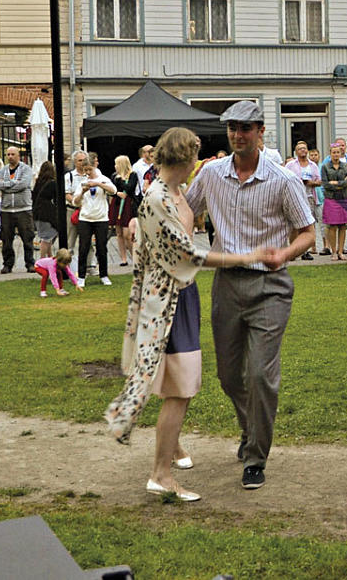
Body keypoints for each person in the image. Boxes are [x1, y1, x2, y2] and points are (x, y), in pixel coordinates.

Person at [106, 127, 270, 502]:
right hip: (166, 301)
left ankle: (172, 448)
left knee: (180, 384)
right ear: (185, 158)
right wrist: (245, 257)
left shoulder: (177, 191)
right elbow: (187, 253)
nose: (198, 162)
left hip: (182, 294)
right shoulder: (157, 198)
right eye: (195, 155)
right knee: (181, 389)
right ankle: (160, 474)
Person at [184, 101, 315, 489]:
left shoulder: (283, 180)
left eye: (245, 128)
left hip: (270, 287)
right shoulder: (211, 174)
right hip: (226, 284)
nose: (237, 135)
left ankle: (256, 456)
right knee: (228, 375)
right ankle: (249, 428)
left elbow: (308, 232)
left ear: (260, 132)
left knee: (260, 374)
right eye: (232, 128)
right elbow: (185, 211)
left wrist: (285, 254)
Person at [73, 155, 118, 286]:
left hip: (101, 218)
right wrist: (82, 192)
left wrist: (98, 184)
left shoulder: (103, 179)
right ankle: (81, 276)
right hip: (85, 218)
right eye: (85, 170)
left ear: (94, 166)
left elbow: (114, 191)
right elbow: (75, 202)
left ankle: (104, 275)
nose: (87, 172)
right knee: (83, 247)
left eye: (89, 169)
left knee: (101, 248)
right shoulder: (82, 182)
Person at [0, 146, 36, 273]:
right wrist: (13, 184)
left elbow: (24, 184)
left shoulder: (26, 169)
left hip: (23, 209)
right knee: (6, 239)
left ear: (18, 155)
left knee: (27, 237)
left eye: (13, 154)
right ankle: (8, 264)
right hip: (6, 210)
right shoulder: (2, 170)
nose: (10, 157)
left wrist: (6, 186)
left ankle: (30, 263)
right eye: (8, 154)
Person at [284, 143, 322, 261]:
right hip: (294, 197)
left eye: (304, 148)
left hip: (309, 197)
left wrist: (310, 183)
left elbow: (319, 181)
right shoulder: (290, 165)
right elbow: (283, 178)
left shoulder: (313, 165)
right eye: (300, 149)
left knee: (307, 225)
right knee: (294, 226)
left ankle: (305, 251)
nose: (303, 150)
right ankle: (292, 251)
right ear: (296, 152)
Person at [320, 143, 347, 260]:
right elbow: (325, 184)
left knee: (343, 226)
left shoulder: (346, 166)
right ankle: (333, 251)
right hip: (331, 199)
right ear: (330, 153)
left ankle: (340, 251)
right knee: (332, 226)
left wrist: (336, 183)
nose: (336, 154)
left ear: (341, 153)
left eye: (338, 152)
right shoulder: (325, 167)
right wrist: (339, 184)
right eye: (333, 152)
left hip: (343, 198)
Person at [111, 155, 141, 267]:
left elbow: (129, 188)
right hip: (117, 204)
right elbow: (112, 190)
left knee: (127, 234)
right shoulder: (114, 176)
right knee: (119, 233)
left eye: (116, 164)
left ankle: (135, 257)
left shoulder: (133, 175)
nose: (115, 166)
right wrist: (117, 193)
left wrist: (121, 181)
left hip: (128, 205)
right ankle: (123, 259)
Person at [31, 160, 62, 261]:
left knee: (47, 236)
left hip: (37, 213)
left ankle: (50, 257)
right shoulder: (53, 183)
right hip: (47, 214)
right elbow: (56, 199)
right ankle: (42, 260)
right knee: (47, 237)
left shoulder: (38, 182)